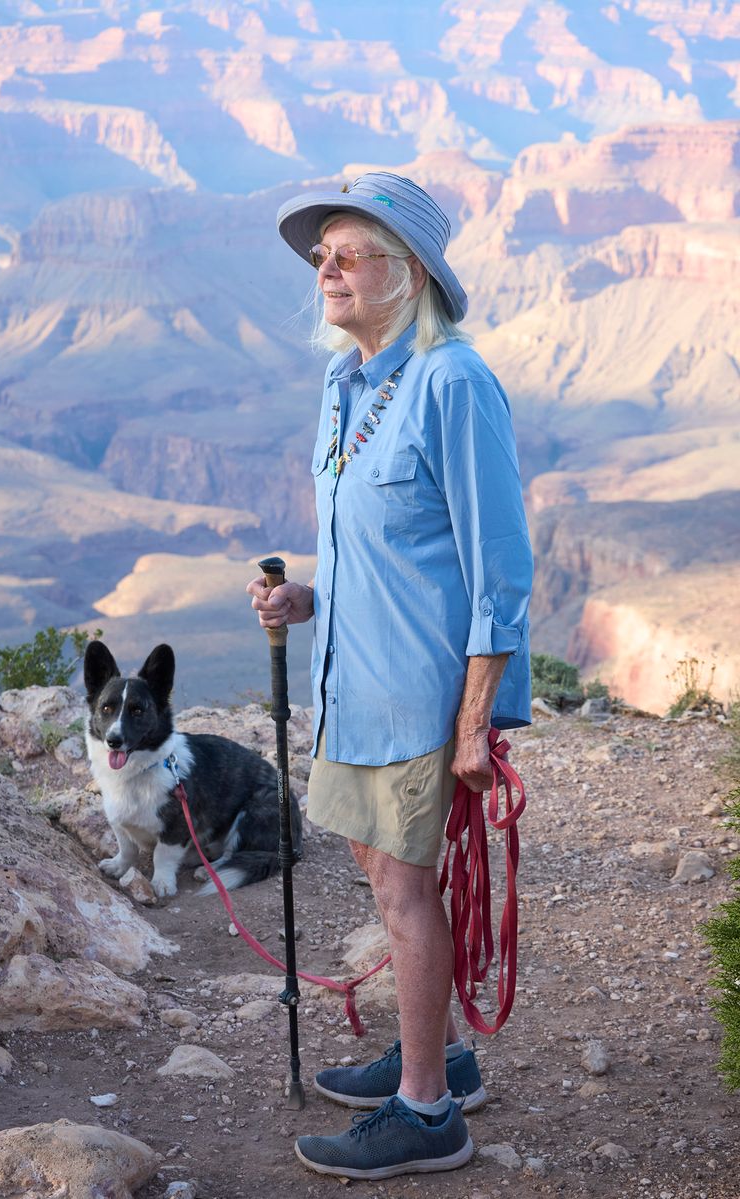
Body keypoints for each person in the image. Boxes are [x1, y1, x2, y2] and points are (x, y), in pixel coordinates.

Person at [247, 171, 533, 1180]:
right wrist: (304, 601)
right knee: (384, 874)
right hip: (348, 683)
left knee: (407, 893)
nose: (323, 267)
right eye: (319, 252)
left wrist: (471, 725)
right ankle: (438, 1055)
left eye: (347, 250)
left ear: (405, 274)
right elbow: (374, 545)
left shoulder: (453, 383)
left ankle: (426, 1113)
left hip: (416, 692)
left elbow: (497, 570)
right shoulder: (343, 383)